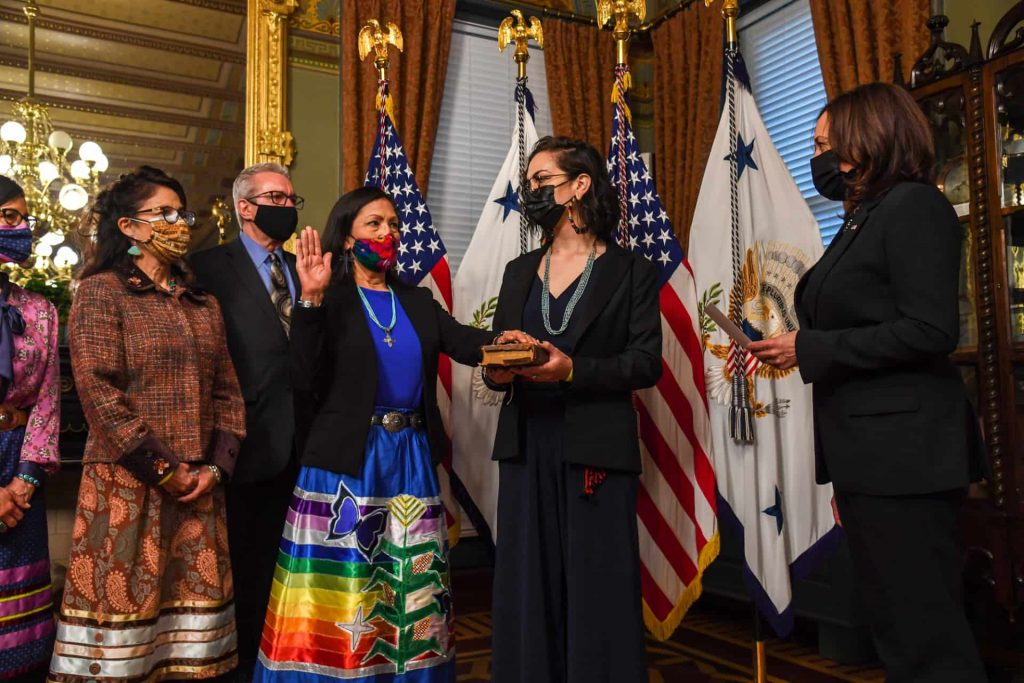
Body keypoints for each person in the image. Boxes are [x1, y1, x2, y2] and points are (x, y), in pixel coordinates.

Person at [748, 82, 988, 682]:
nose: (820, 158)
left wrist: (810, 346)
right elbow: (853, 324)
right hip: (869, 456)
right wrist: (796, 349)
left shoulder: (914, 207)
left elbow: (930, 330)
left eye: (827, 144)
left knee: (926, 635)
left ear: (869, 137)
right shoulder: (863, 218)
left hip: (906, 458)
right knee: (897, 631)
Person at [254, 186, 530, 682]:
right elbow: (302, 377)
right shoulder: (327, 298)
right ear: (348, 235)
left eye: (394, 224)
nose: (389, 233)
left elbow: (469, 343)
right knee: (346, 588)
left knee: (410, 584)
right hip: (345, 462)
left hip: (411, 456)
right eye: (375, 224)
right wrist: (311, 301)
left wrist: (509, 345)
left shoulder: (417, 301)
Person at [48, 166, 246, 681]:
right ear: (130, 227)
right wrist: (163, 468)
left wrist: (214, 469)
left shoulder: (204, 304)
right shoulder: (101, 291)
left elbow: (228, 392)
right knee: (124, 635)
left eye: (182, 213)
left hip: (198, 488)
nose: (178, 223)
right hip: (126, 486)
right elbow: (98, 392)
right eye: (164, 213)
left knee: (191, 646)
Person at [485, 136, 663, 683]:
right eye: (530, 182)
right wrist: (498, 366)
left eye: (542, 180)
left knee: (596, 585)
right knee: (527, 581)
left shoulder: (632, 270)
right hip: (527, 442)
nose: (531, 191)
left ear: (580, 185)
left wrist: (572, 371)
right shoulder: (519, 270)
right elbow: (496, 356)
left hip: (595, 446)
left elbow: (645, 364)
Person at [189, 162, 301, 678]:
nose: (286, 207)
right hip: (242, 446)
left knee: (297, 576)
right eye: (274, 198)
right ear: (244, 206)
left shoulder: (307, 269)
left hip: (308, 444)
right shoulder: (205, 267)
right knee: (246, 574)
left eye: (291, 200)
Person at [0, 176, 60, 680]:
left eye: (23, 218)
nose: (22, 229)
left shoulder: (38, 309)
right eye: (12, 218)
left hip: (20, 461)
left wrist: (23, 481)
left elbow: (47, 401)